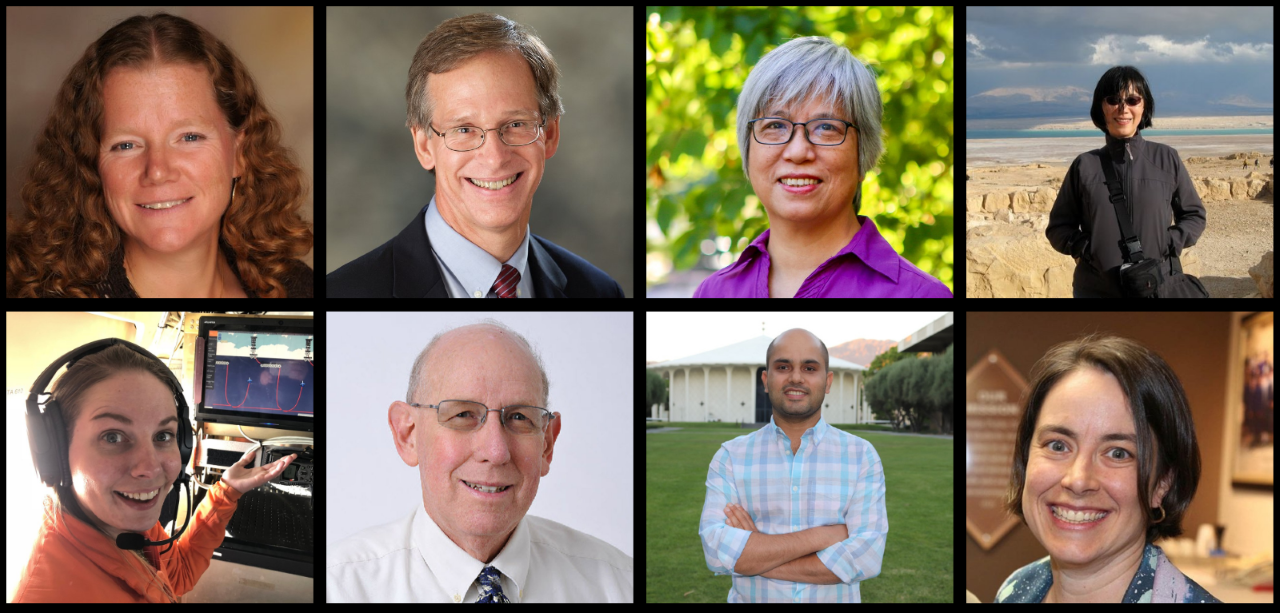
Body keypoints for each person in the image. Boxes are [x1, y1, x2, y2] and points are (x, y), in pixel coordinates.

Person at [6, 13, 313, 298]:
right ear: (90, 163)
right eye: (126, 145)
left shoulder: (298, 287)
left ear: (239, 153)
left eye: (189, 137)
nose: (157, 170)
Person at [327, 321, 633, 602]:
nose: (496, 451)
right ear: (408, 434)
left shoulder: (619, 585)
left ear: (547, 444)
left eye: (519, 417)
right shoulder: (339, 587)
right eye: (463, 415)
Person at [326, 13, 623, 298]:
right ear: (424, 145)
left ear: (550, 134)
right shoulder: (341, 294)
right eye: (464, 129)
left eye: (516, 124)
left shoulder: (599, 292)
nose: (494, 157)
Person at [13, 342, 296, 602]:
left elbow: (176, 576)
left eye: (163, 435)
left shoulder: (125, 521)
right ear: (57, 454)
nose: (149, 468)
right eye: (112, 437)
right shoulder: (47, 594)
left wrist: (226, 490)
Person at [692, 36, 951, 298]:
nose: (798, 152)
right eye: (775, 125)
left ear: (864, 154)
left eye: (826, 128)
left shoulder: (923, 296)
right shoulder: (713, 294)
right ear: (748, 150)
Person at [996, 335, 1220, 603]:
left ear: (1162, 484)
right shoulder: (1015, 590)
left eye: (1118, 453)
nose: (1078, 480)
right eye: (1057, 445)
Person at [699, 328, 888, 602]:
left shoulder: (861, 456)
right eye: (783, 366)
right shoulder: (731, 457)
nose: (796, 377)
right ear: (766, 379)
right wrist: (824, 537)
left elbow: (866, 557)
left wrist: (756, 554)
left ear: (828, 381)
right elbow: (717, 553)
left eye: (810, 368)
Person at [1045, 66, 1206, 298]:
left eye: (1132, 100)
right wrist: (1087, 250)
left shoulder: (1166, 158)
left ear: (1144, 106)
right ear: (1101, 107)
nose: (1123, 109)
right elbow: (1058, 228)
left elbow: (1194, 215)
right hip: (1096, 289)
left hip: (1156, 285)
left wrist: (1168, 242)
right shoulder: (1085, 165)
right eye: (1113, 100)